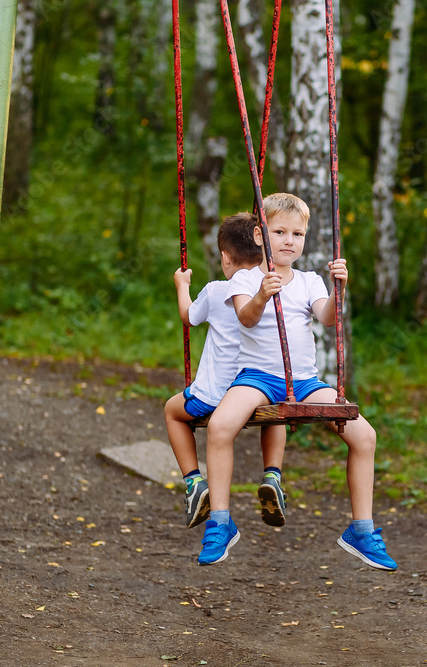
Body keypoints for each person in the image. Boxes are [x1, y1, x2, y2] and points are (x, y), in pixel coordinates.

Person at [198, 193, 397, 570]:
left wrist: (339, 290)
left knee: (364, 435)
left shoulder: (309, 280)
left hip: (304, 380)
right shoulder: (245, 278)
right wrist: (261, 294)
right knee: (221, 427)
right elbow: (246, 318)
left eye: (298, 234)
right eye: (280, 232)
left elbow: (326, 318)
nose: (290, 240)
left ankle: (362, 528)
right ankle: (220, 523)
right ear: (259, 236)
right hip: (257, 378)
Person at [165, 212, 289, 531]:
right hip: (257, 393)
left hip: (216, 399)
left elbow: (187, 316)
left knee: (172, 411)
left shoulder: (217, 290)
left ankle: (194, 483)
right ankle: (272, 474)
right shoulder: (274, 290)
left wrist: (182, 284)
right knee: (275, 412)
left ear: (225, 258)